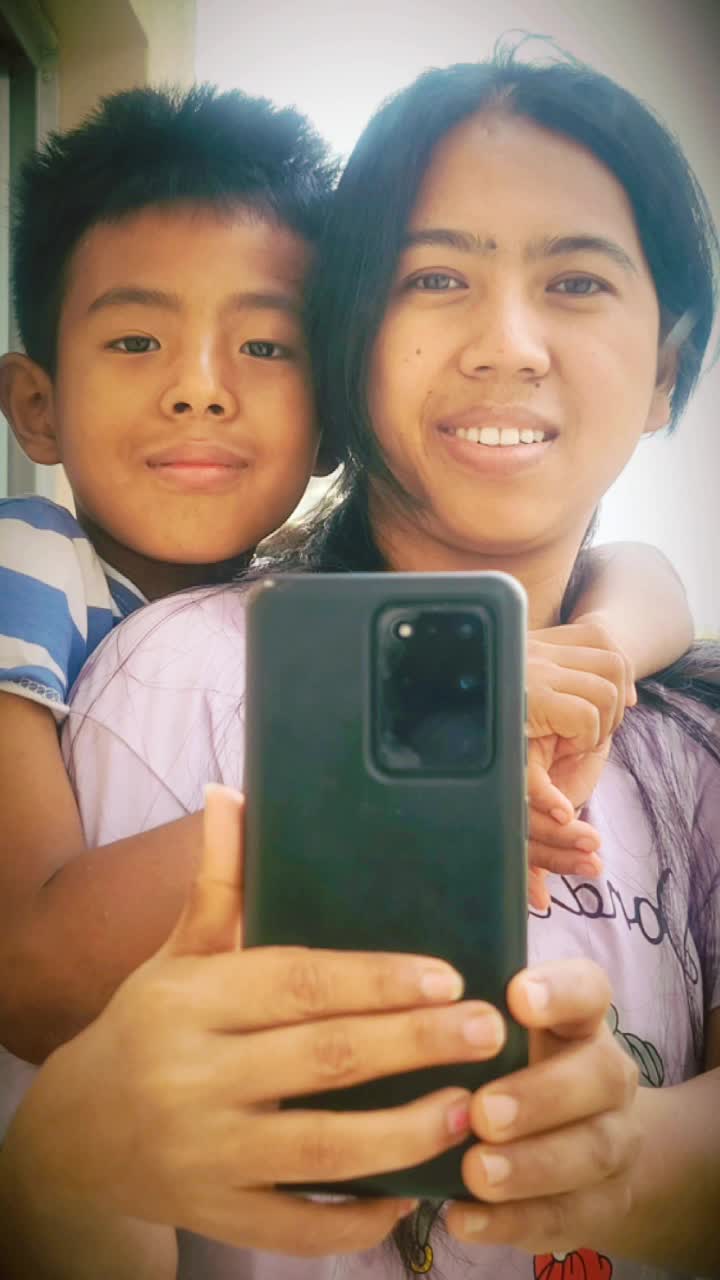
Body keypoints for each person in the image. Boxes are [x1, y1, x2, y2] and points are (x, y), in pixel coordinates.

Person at [51, 49, 720, 1280]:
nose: (508, 344)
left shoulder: (695, 753)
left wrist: (625, 1150)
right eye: (436, 276)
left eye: (576, 279)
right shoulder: (180, 676)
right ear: (351, 343)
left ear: (666, 372)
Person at [0, 82, 336, 1080]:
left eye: (265, 345)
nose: (198, 387)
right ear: (37, 406)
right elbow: (25, 969)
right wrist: (359, 801)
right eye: (137, 340)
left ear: (333, 418)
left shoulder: (294, 595)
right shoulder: (28, 560)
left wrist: (611, 642)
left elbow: (630, 576)